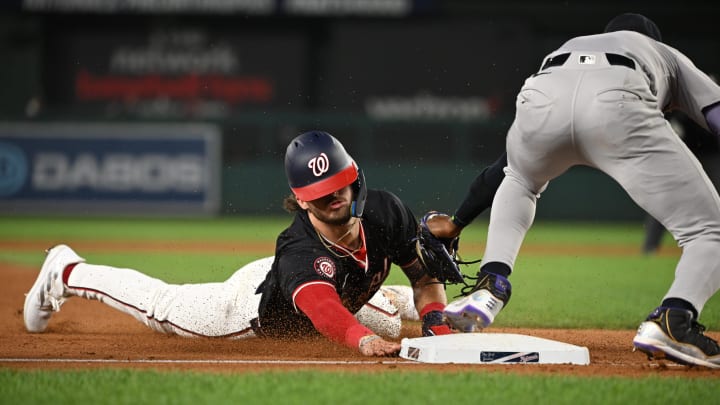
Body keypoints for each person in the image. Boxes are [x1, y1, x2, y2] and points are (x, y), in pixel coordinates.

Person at [430, 13, 720, 368]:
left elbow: (500, 170)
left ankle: (491, 283)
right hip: (620, 100)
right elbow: (715, 113)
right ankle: (675, 320)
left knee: (520, 179)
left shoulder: (570, 48)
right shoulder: (664, 54)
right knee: (711, 231)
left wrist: (458, 222)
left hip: (543, 94)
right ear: (652, 40)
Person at [23, 130, 452, 357]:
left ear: (354, 175)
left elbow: (424, 273)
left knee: (394, 324)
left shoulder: (386, 211)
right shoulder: (298, 249)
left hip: (341, 287)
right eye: (322, 192)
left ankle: (390, 301)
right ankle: (66, 270)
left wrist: (437, 318)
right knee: (162, 307)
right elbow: (325, 314)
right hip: (252, 309)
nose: (336, 195)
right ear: (301, 198)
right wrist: (361, 341)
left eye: (340, 184)